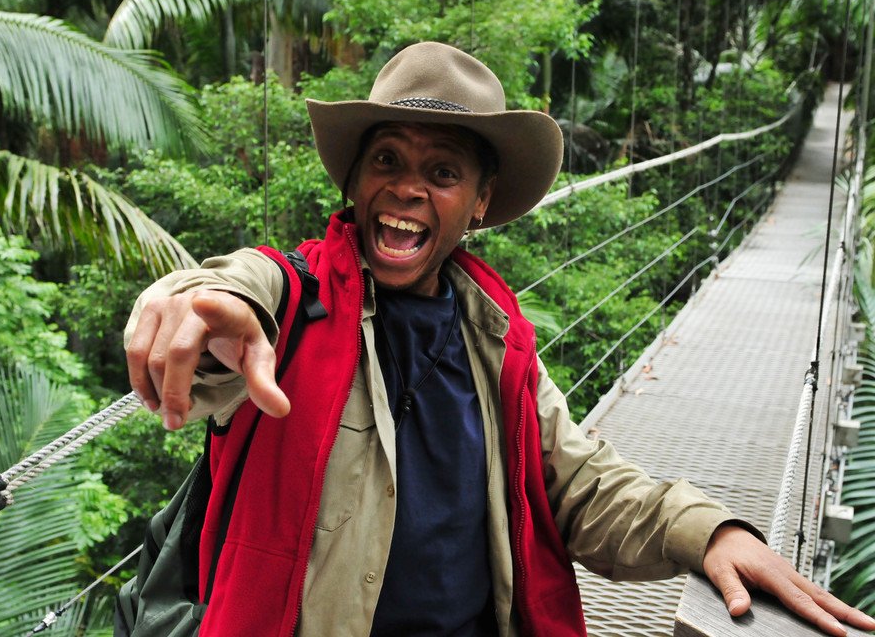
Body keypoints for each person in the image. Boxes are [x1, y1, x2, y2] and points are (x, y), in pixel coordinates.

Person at [125, 42, 875, 637]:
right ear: (354, 180)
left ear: (480, 201)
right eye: (387, 160)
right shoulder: (293, 305)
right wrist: (198, 301)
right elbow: (234, 290)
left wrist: (709, 533)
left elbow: (577, 482)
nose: (408, 187)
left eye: (442, 171)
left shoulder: (495, 338)